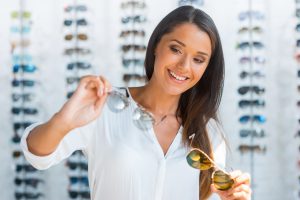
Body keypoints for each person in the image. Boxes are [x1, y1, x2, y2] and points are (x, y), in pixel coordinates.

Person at [21, 5, 251, 200]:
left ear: (207, 68)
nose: (184, 66)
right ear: (156, 47)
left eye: (198, 59)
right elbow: (37, 155)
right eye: (176, 49)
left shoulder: (209, 132)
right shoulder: (105, 106)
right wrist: (64, 120)